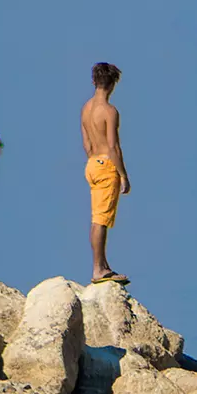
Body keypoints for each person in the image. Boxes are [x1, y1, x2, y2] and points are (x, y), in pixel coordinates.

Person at [82, 62, 132, 285]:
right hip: (106, 165)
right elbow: (113, 146)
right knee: (101, 220)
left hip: (92, 163)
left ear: (94, 81)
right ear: (112, 84)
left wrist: (95, 161)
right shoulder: (109, 112)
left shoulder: (85, 108)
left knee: (97, 218)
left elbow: (86, 143)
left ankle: (102, 264)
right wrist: (123, 174)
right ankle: (98, 269)